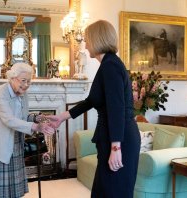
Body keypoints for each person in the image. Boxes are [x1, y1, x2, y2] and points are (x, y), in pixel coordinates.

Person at [46, 20, 141, 198]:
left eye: (88, 39)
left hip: (120, 140)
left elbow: (116, 109)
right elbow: (92, 100)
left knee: (112, 193)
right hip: (115, 137)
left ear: (98, 39)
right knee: (103, 191)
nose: (86, 44)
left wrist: (115, 148)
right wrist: (62, 117)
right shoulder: (108, 64)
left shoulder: (110, 66)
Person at [0, 63, 55, 198]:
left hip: (15, 141)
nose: (26, 85)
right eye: (23, 81)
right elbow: (9, 119)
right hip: (0, 143)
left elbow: (22, 117)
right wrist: (35, 127)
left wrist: (37, 118)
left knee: (13, 187)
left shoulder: (23, 94)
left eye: (29, 81)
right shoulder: (0, 93)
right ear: (12, 78)